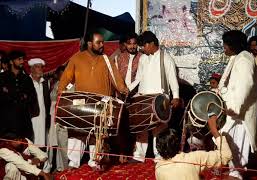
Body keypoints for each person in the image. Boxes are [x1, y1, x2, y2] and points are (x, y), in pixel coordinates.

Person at [58, 29, 129, 168]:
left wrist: (123, 88)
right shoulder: (77, 58)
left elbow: (115, 77)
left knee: (97, 134)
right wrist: (62, 94)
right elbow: (66, 78)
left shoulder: (106, 59)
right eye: (99, 42)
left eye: (102, 42)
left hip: (100, 105)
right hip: (82, 105)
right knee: (77, 132)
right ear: (90, 44)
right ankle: (73, 163)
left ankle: (95, 161)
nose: (102, 45)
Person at [128, 31, 180, 162]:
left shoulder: (166, 58)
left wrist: (176, 96)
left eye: (143, 46)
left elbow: (173, 79)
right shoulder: (143, 58)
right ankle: (139, 156)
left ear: (151, 44)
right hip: (143, 97)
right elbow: (139, 78)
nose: (141, 49)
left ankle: (160, 156)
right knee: (142, 128)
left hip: (160, 99)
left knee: (159, 130)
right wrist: (127, 90)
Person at [218, 30, 257, 179]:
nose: (224, 48)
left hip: (240, 112)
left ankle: (237, 173)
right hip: (233, 110)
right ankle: (233, 170)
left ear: (233, 45)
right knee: (228, 141)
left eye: (225, 45)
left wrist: (235, 107)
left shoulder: (245, 59)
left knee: (237, 145)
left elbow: (246, 84)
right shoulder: (237, 57)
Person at [155, 116, 232, 180]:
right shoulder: (194, 158)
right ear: (179, 144)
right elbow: (226, 156)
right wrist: (214, 130)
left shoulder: (158, 168)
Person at [0, 50, 39, 140]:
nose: (22, 62)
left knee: (25, 150)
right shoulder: (2, 77)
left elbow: (32, 98)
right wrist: (20, 96)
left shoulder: (26, 79)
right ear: (11, 61)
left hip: (23, 122)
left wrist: (10, 93)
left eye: (22, 59)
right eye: (19, 59)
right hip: (6, 124)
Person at [28, 58, 51, 147]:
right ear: (32, 69)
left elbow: (47, 101)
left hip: (43, 116)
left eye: (41, 67)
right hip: (31, 116)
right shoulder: (27, 81)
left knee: (42, 141)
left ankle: (41, 158)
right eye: (37, 67)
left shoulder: (45, 82)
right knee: (31, 141)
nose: (40, 69)